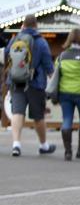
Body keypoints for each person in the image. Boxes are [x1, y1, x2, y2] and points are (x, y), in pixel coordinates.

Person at [6, 14, 56, 156]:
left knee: (17, 113)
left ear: (23, 24)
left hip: (16, 82)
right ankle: (43, 145)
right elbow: (48, 66)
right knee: (38, 116)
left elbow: (7, 57)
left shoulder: (15, 39)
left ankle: (16, 144)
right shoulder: (41, 42)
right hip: (36, 83)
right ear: (36, 25)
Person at [56, 28, 80, 161]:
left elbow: (56, 74)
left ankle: (68, 152)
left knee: (66, 120)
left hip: (64, 93)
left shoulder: (62, 56)